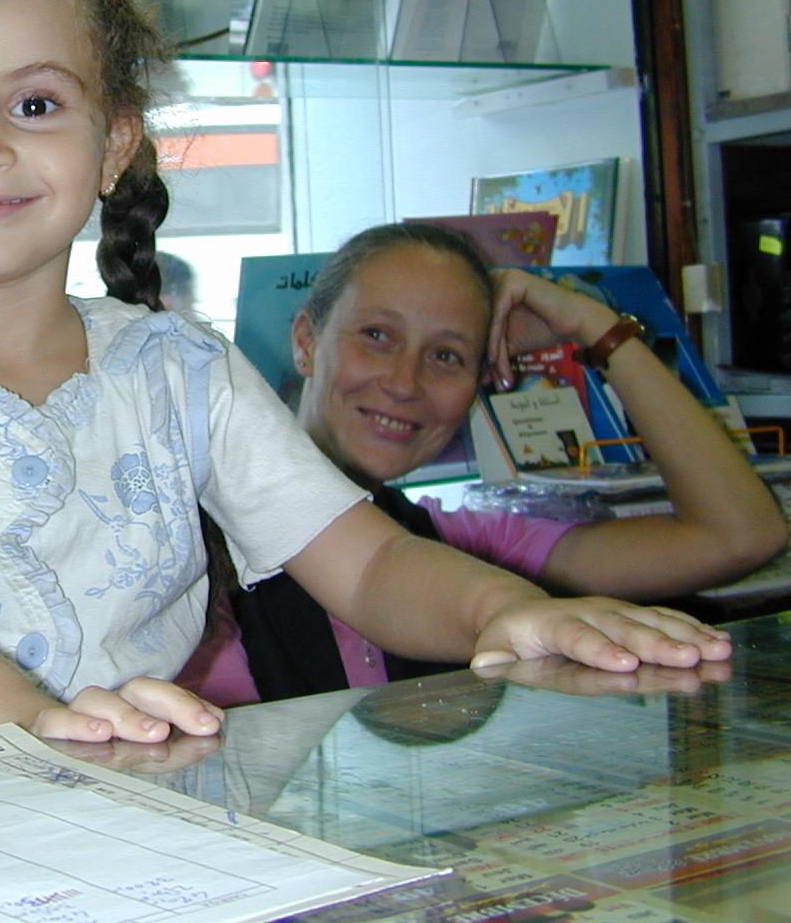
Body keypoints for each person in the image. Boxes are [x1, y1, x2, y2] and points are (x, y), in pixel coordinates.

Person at [0, 0, 728, 764]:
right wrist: (24, 723)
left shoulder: (177, 369)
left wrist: (508, 613)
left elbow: (368, 560)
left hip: (120, 815)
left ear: (114, 143)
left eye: (33, 103)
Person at [199, 222, 785, 705]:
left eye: (447, 356)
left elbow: (740, 536)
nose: (405, 382)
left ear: (481, 382)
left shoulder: (462, 544)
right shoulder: (187, 553)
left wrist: (598, 331)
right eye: (377, 335)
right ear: (306, 341)